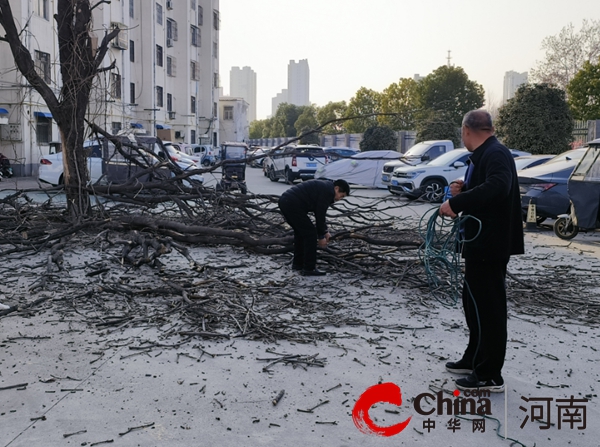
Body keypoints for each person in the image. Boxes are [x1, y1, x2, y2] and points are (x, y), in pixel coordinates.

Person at [439, 110, 524, 392]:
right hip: (480, 244)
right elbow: (487, 188)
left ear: (466, 130)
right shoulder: (486, 153)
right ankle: (474, 359)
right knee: (473, 304)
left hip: (491, 244)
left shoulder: (495, 153)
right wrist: (463, 189)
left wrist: (458, 203)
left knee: (489, 309)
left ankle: (489, 374)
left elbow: (499, 186)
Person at [278, 179, 350, 276]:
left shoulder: (326, 187)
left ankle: (298, 264)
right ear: (336, 189)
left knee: (300, 233)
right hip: (292, 204)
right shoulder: (328, 192)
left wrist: (325, 231)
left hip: (285, 201)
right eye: (341, 196)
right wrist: (320, 237)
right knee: (311, 234)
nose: (339, 199)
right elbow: (320, 214)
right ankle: (309, 268)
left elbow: (319, 213)